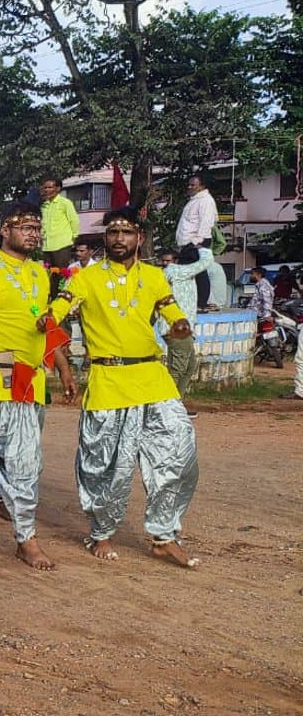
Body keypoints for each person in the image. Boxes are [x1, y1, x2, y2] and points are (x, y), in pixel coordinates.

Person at [47, 208, 199, 569]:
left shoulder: (155, 276)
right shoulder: (86, 278)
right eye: (112, 232)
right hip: (108, 380)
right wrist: (47, 315)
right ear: (105, 238)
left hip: (152, 377)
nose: (118, 238)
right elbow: (60, 307)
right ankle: (101, 533)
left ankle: (164, 535)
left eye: (126, 232)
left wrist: (179, 326)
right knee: (105, 466)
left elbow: (172, 311)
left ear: (139, 238)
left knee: (178, 454)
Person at [0, 202, 78, 572]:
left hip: (29, 380)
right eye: (25, 226)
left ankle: (25, 538)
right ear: (4, 230)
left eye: (36, 227)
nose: (33, 232)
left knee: (27, 463)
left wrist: (63, 368)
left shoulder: (41, 275)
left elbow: (41, 323)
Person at [158, 249, 210, 397]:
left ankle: (176, 403)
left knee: (189, 367)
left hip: (182, 329)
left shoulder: (179, 274)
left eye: (167, 260)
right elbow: (206, 261)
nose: (165, 263)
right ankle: (166, 406)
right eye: (164, 261)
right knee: (177, 370)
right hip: (176, 329)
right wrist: (201, 245)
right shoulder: (177, 271)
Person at [176, 175, 218, 312]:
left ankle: (202, 304)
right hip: (187, 242)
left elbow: (206, 222)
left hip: (197, 241)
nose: (189, 187)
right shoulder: (193, 201)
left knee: (200, 272)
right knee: (184, 273)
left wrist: (197, 241)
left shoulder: (206, 201)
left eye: (193, 185)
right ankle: (188, 301)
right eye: (189, 184)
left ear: (202, 186)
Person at [37, 177, 79, 281]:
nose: (47, 190)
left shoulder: (65, 203)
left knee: (62, 274)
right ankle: (51, 296)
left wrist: (74, 237)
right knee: (49, 274)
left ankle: (61, 295)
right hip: (47, 246)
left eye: (50, 187)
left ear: (58, 188)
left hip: (62, 245)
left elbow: (74, 220)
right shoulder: (43, 205)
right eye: (45, 188)